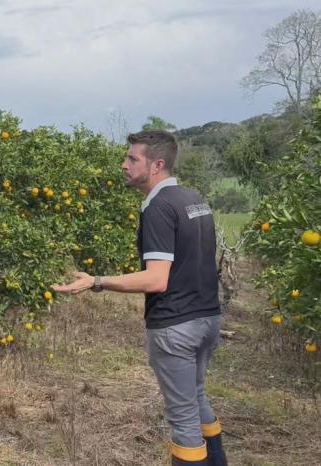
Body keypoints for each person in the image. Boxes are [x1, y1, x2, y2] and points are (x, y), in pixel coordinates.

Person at [52, 130, 227, 466]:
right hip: (207, 319)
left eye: (133, 159)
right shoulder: (194, 199)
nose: (124, 164)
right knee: (197, 397)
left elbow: (156, 279)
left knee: (183, 420)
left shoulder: (159, 207)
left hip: (176, 326)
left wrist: (96, 281)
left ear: (157, 165)